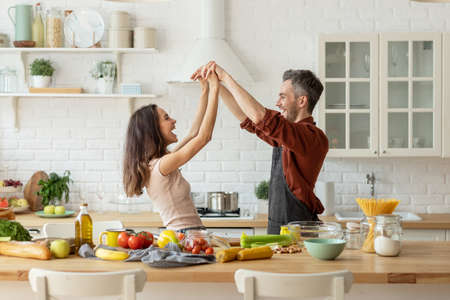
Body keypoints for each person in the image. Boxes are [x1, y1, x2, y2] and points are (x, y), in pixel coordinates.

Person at [202, 62, 328, 234]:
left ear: (301, 101)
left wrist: (225, 77)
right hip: (278, 227)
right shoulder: (286, 137)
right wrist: (216, 85)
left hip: (299, 232)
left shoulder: (312, 136)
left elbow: (261, 117)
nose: (278, 103)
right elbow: (247, 118)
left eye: (283, 97)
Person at [122, 63, 220, 232]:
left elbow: (194, 133)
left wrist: (205, 90)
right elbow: (204, 137)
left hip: (187, 235)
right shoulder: (163, 165)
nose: (173, 120)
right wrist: (216, 88)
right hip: (186, 236)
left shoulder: (158, 163)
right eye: (166, 118)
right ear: (153, 130)